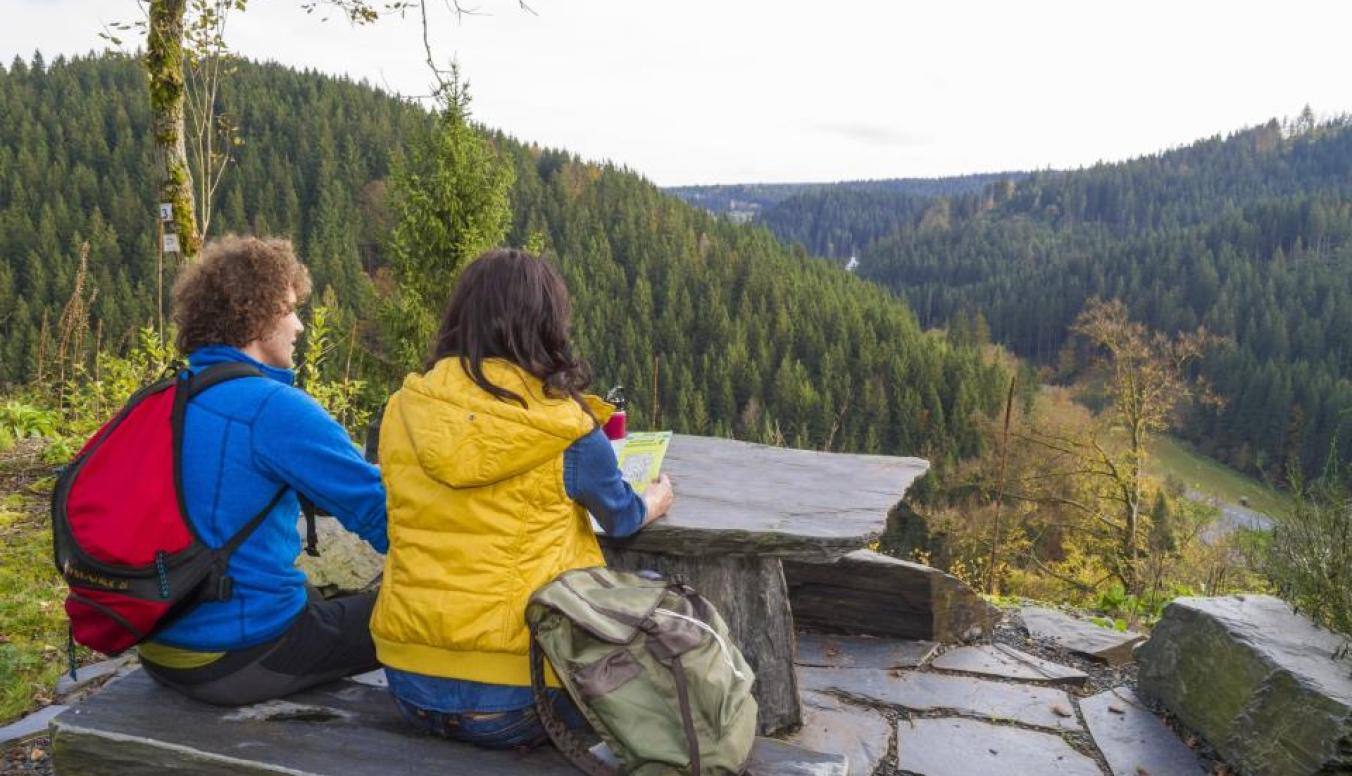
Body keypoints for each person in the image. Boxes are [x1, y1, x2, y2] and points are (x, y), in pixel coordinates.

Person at [370, 248, 674, 749]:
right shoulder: (566, 424)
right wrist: (657, 499)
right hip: (518, 695)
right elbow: (620, 517)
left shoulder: (404, 409)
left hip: (407, 680)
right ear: (548, 325)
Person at [137, 235, 389, 706]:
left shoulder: (168, 397)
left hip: (159, 648)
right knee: (412, 613)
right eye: (290, 309)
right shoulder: (274, 408)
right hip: (236, 658)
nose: (298, 326)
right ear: (255, 316)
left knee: (314, 599)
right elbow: (388, 517)